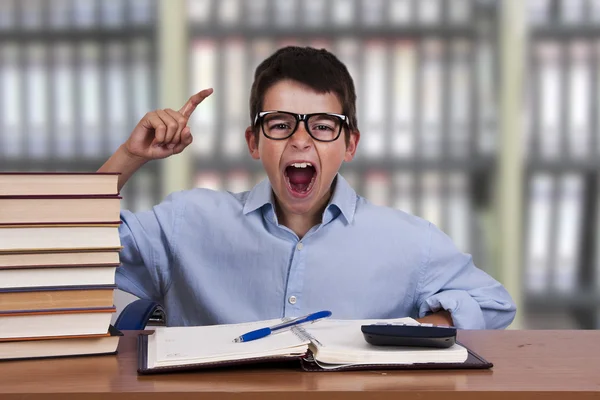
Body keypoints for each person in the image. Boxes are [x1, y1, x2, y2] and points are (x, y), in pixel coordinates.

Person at [99, 46, 516, 329]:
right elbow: (65, 246)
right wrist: (129, 156)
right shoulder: (184, 223)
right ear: (253, 142)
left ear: (350, 144)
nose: (301, 140)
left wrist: (430, 329)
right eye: (280, 124)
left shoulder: (410, 241)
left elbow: (495, 304)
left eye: (322, 126)